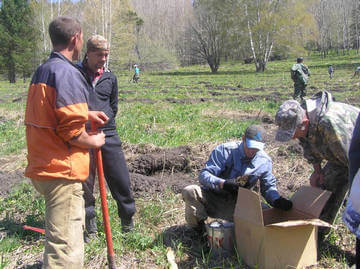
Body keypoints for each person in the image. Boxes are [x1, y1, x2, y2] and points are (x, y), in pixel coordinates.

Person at [24, 17, 108, 268]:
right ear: (75, 39)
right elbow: (70, 131)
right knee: (66, 249)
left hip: (43, 166)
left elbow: (50, 115)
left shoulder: (44, 70)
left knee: (57, 238)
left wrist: (86, 114)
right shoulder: (67, 73)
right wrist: (94, 141)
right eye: (81, 38)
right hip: (63, 170)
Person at [275, 91, 359, 235]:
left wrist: (354, 193)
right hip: (341, 155)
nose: (292, 138)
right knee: (325, 188)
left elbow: (353, 162)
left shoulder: (330, 124)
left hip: (354, 156)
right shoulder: (302, 118)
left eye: (292, 133)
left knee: (356, 200)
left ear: (304, 123)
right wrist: (317, 171)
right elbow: (307, 142)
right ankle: (319, 231)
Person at [78, 35, 136, 241]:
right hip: (82, 135)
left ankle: (127, 222)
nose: (103, 59)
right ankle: (90, 226)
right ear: (88, 53)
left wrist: (106, 120)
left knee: (120, 178)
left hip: (108, 133)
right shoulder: (76, 74)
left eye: (106, 55)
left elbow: (113, 106)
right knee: (85, 181)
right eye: (99, 55)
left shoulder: (110, 77)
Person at [182, 125, 293, 233]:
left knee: (268, 214)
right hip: (214, 198)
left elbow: (268, 187)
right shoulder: (224, 151)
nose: (252, 151)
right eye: (249, 146)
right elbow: (204, 175)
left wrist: (277, 200)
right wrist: (223, 184)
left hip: (239, 204)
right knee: (190, 191)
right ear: (243, 139)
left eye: (256, 148)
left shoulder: (264, 161)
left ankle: (245, 233)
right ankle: (197, 232)